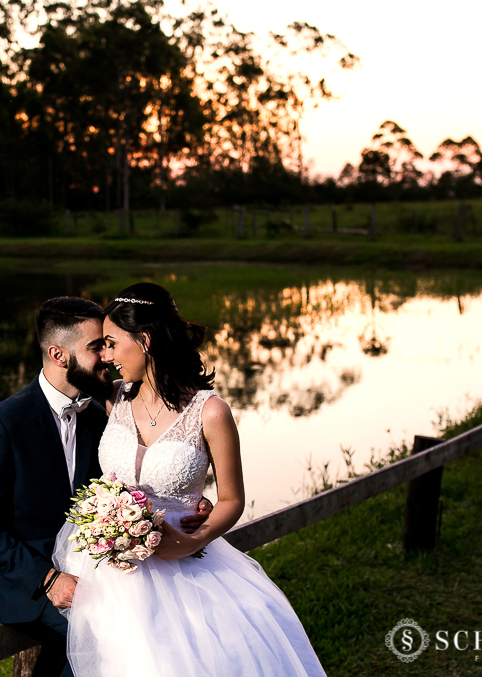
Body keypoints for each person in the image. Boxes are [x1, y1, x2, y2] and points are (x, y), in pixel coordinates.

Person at [52, 282, 328, 677]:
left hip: (185, 563)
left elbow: (232, 499)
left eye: (112, 343)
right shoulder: (113, 398)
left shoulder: (210, 412)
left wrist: (194, 538)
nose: (107, 355)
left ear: (144, 340)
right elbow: (63, 373)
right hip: (111, 574)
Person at [0, 297, 211, 677]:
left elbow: (130, 480)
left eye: (110, 344)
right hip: (26, 582)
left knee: (168, 622)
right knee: (110, 636)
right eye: (97, 347)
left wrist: (184, 500)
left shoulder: (103, 412)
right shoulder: (4, 421)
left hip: (95, 567)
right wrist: (48, 579)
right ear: (59, 354)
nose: (108, 357)